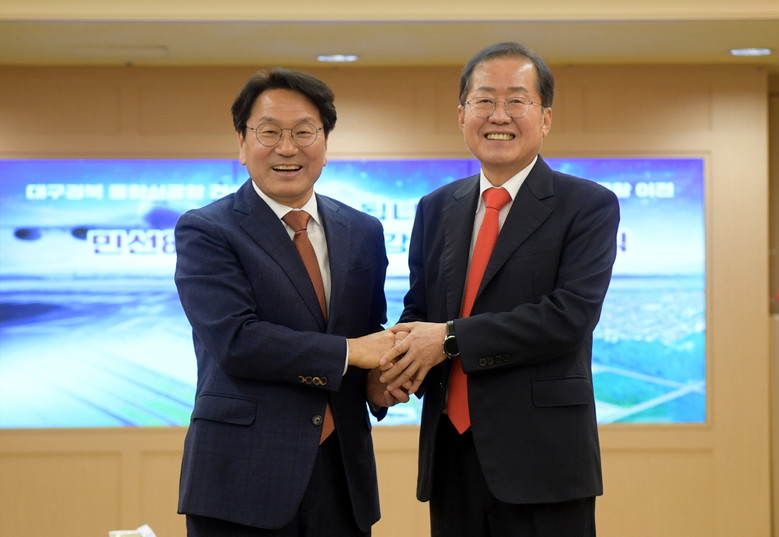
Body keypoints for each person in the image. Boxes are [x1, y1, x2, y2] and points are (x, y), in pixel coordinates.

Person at [378, 42, 621, 537]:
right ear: (461, 114)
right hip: (451, 457)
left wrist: (450, 339)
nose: (499, 115)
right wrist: (392, 370)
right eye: (484, 100)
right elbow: (419, 311)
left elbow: (569, 316)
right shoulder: (435, 208)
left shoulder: (587, 205)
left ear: (545, 118)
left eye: (516, 100)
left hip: (544, 462)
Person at [174, 67, 399, 537]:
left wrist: (381, 381)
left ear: (325, 143)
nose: (287, 147)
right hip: (241, 479)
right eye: (270, 132)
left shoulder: (363, 231)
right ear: (242, 143)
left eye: (303, 132)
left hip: (343, 477)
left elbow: (370, 335)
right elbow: (236, 341)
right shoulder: (207, 229)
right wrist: (351, 353)